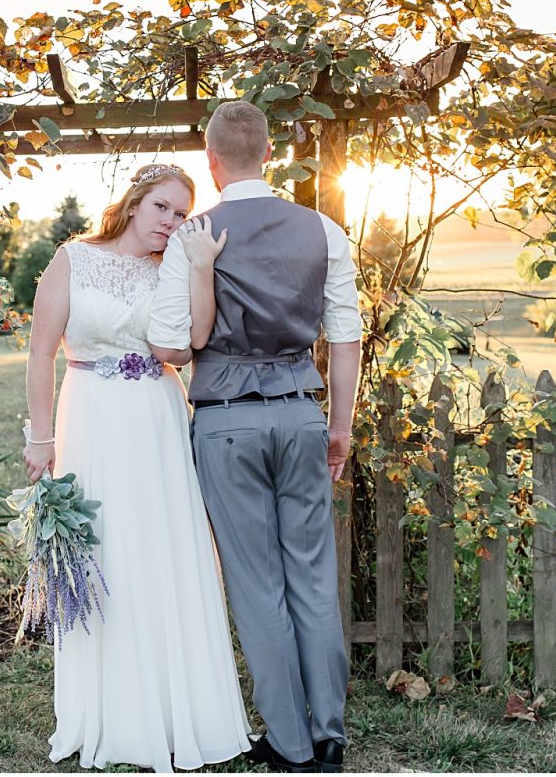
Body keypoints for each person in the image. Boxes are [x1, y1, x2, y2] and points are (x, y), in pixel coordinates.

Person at [148, 100, 363, 776]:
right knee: (312, 575)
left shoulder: (195, 235)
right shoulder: (324, 229)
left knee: (256, 581)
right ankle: (329, 734)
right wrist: (340, 425)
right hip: (301, 411)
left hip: (226, 420)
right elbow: (346, 334)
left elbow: (173, 344)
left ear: (210, 161)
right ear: (269, 153)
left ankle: (292, 746)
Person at [24, 162, 252, 773]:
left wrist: (200, 268)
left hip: (157, 415)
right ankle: (113, 713)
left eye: (181, 215)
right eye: (161, 209)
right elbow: (42, 350)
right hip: (91, 416)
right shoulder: (74, 257)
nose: (170, 223)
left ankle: (181, 710)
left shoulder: (176, 266)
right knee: (108, 551)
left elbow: (185, 346)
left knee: (164, 549)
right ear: (133, 203)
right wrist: (40, 439)